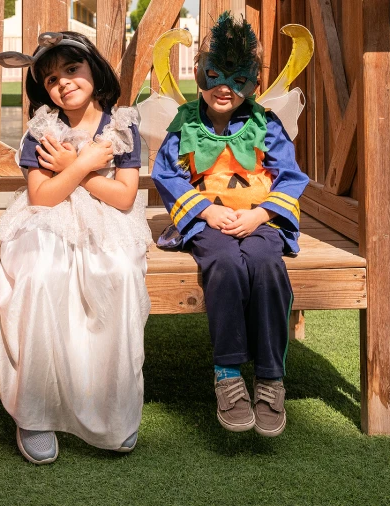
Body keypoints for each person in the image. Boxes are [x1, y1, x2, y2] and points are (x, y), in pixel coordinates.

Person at [0, 31, 151, 464]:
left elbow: (124, 198)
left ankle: (113, 408)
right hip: (46, 218)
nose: (64, 83)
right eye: (52, 79)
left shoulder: (121, 125)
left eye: (72, 70)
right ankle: (35, 411)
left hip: (108, 220)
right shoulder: (42, 131)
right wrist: (89, 167)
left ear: (94, 70)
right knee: (42, 271)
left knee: (119, 273)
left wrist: (76, 166)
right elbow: (43, 198)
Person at [152, 12, 309, 437]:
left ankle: (271, 376)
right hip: (207, 221)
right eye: (216, 75)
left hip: (260, 219)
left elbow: (290, 176)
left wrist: (260, 214)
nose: (225, 88)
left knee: (265, 264)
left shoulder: (266, 124)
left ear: (253, 81)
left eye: (238, 78)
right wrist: (205, 211)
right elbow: (166, 174)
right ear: (201, 73)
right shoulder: (184, 123)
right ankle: (227, 372)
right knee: (223, 263)